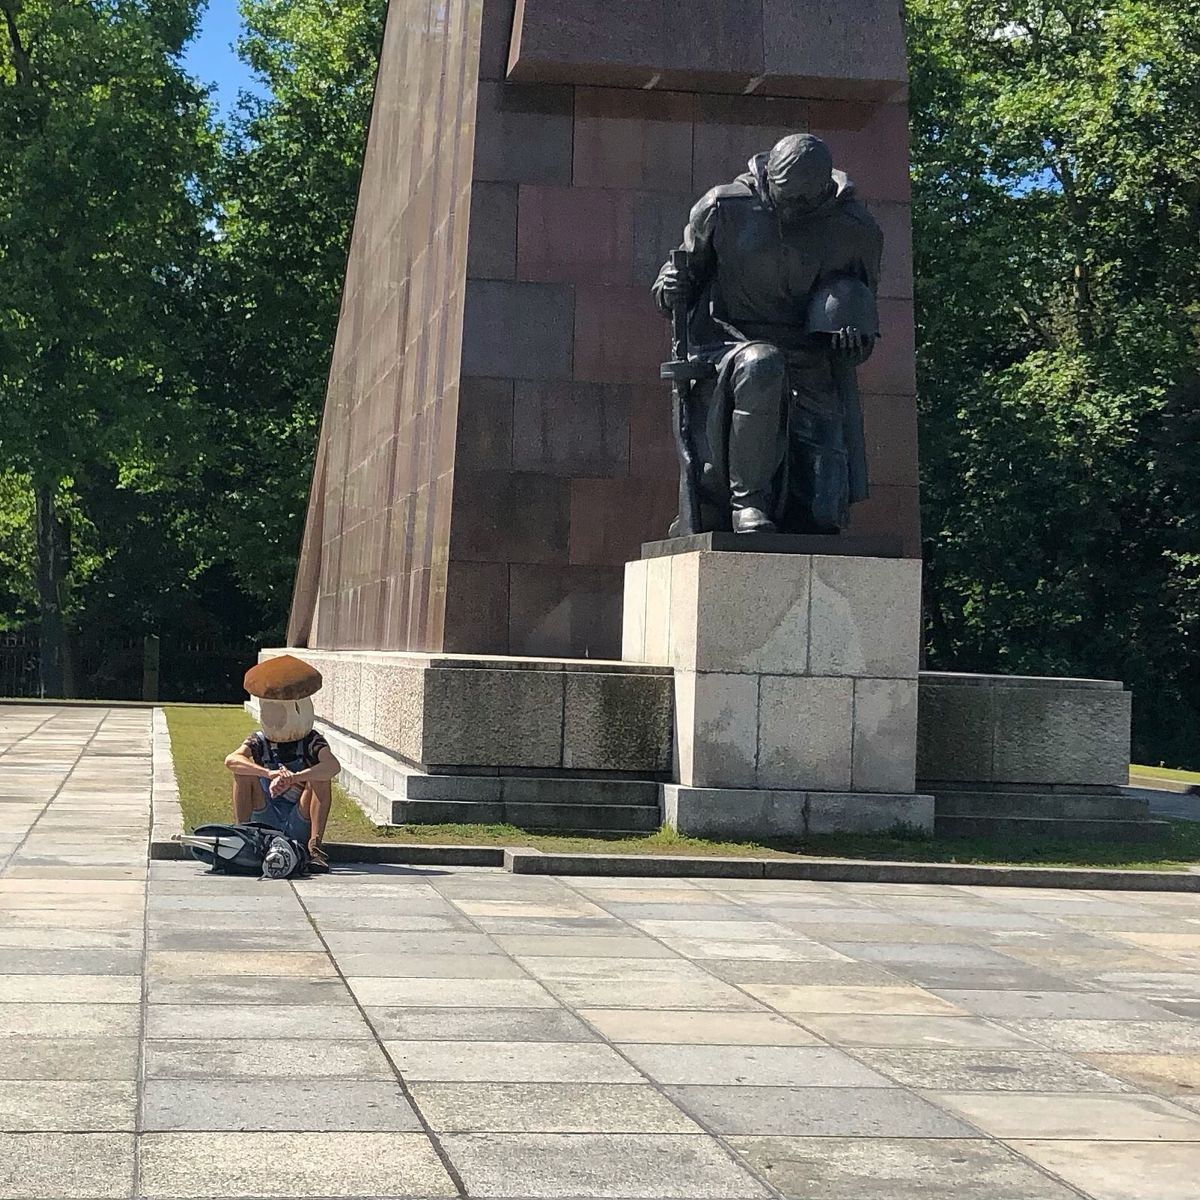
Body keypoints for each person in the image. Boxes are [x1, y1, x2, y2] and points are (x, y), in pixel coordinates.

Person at [652, 132, 883, 535]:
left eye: (803, 201)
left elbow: (862, 310)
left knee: (821, 516)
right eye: (783, 195)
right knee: (762, 363)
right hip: (729, 342)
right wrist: (669, 287)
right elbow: (676, 282)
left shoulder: (855, 229)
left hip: (810, 354)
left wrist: (851, 343)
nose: (791, 210)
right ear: (766, 177)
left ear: (824, 190)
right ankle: (747, 502)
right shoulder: (723, 207)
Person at [225, 654, 340, 873]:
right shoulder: (259, 740)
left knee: (321, 778)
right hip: (266, 814)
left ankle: (315, 848)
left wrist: (295, 778)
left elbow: (332, 766)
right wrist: (269, 774)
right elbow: (232, 760)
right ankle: (246, 838)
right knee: (243, 773)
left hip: (299, 817)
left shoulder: (311, 741)